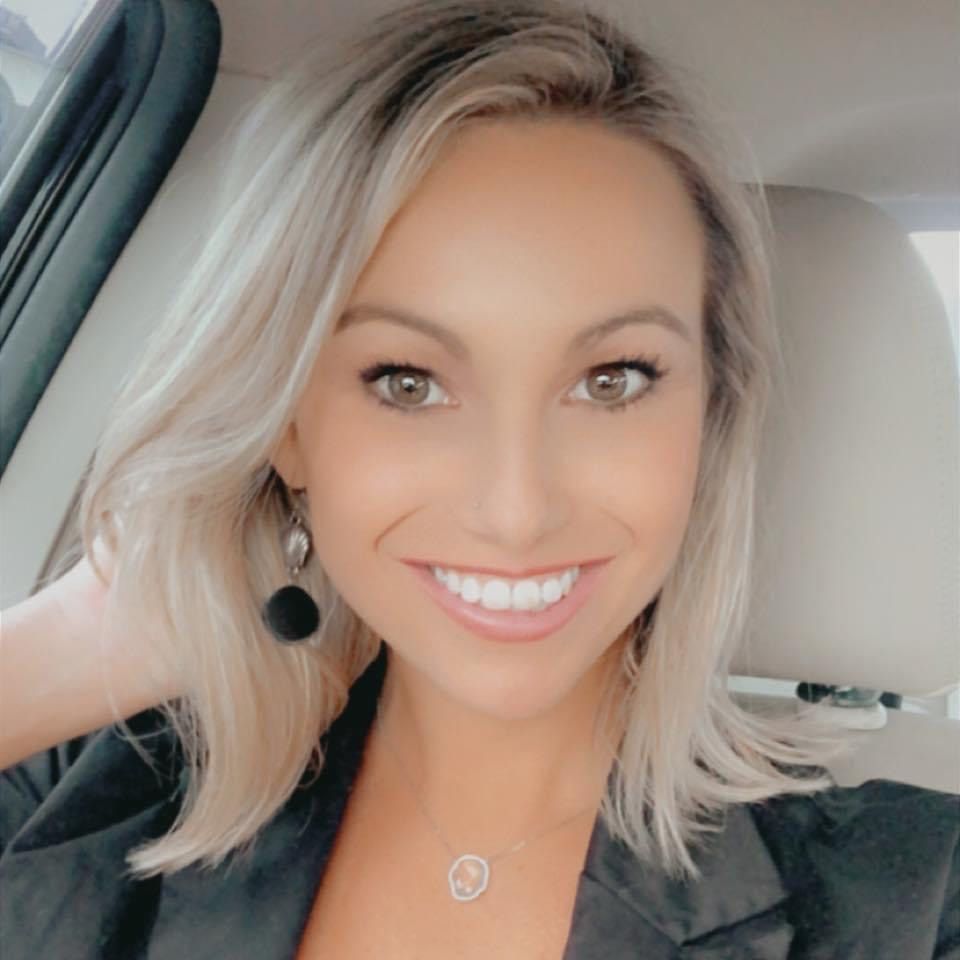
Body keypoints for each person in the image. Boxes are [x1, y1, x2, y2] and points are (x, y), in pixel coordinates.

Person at [1, 0, 957, 957]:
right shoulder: (96, 794)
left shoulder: (912, 900)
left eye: (611, 380)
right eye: (407, 383)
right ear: (287, 426)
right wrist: (85, 639)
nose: (516, 511)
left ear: (709, 418)